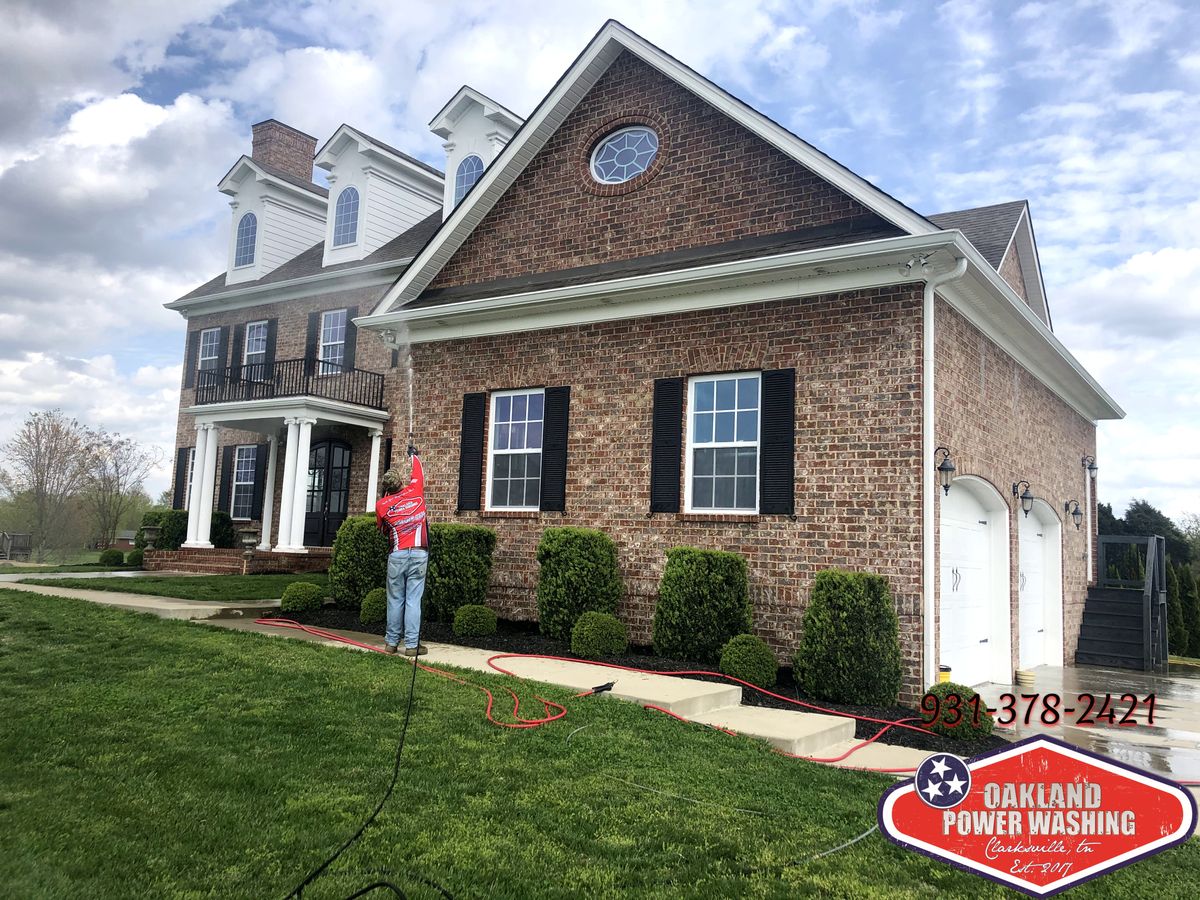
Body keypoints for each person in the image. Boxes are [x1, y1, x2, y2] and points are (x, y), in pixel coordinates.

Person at [375, 444, 429, 657]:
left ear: (386, 487)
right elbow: (418, 472)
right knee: (413, 599)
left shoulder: (382, 505)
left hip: (397, 554)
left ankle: (391, 643)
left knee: (395, 599)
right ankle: (413, 646)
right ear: (401, 483)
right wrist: (413, 455)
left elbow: (381, 530)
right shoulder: (415, 490)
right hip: (419, 552)